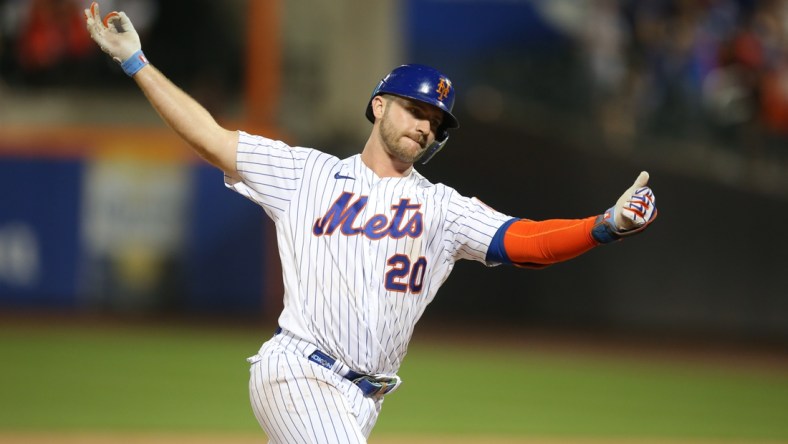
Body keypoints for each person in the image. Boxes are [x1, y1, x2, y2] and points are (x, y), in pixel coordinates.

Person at [85, 3, 657, 443]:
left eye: (436, 122)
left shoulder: (442, 208)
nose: (425, 127)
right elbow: (209, 135)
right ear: (380, 104)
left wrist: (603, 225)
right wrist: (136, 62)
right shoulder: (305, 173)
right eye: (415, 110)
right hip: (299, 373)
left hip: (365, 398)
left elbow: (524, 240)